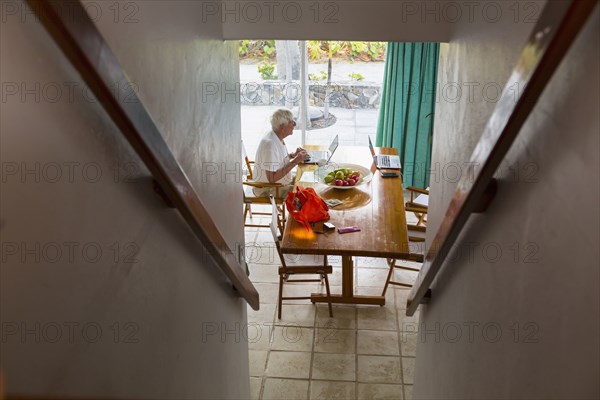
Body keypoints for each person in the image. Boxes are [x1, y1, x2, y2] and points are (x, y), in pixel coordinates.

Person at [252, 108, 307, 197]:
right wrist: (295, 161)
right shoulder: (270, 144)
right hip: (269, 189)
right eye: (292, 122)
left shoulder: (276, 136)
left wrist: (292, 155)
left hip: (280, 184)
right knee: (304, 194)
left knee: (305, 182)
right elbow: (272, 179)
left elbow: (278, 160)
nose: (294, 125)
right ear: (282, 127)